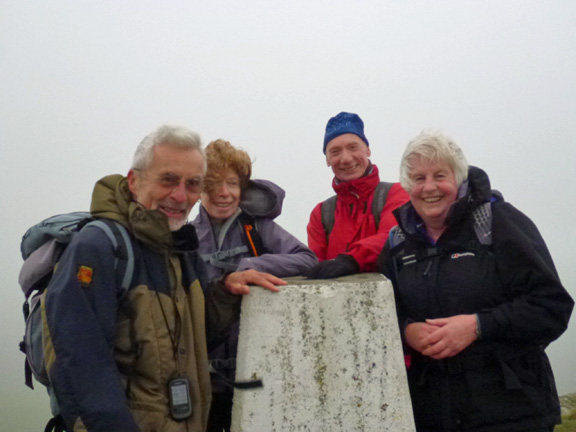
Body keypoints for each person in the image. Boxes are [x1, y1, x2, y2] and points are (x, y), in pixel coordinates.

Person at [43, 125, 285, 432]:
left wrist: (225, 291)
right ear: (134, 180)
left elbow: (195, 337)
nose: (180, 195)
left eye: (193, 184)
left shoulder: (180, 249)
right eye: (168, 180)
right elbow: (77, 365)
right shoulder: (99, 247)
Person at [378, 129, 574, 432]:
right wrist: (406, 331)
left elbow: (551, 307)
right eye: (418, 179)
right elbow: (385, 316)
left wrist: (478, 326)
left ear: (458, 179)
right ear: (408, 186)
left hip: (513, 410)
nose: (429, 187)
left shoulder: (499, 222)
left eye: (439, 175)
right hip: (434, 412)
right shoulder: (397, 243)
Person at [192, 139, 317, 432]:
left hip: (254, 372)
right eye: (213, 184)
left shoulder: (258, 228)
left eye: (233, 184)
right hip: (202, 378)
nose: (224, 193)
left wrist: (254, 265)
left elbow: (308, 259)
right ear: (198, 188)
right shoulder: (186, 236)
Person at [306, 111, 410, 279]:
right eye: (335, 151)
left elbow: (390, 238)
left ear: (367, 150)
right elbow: (314, 263)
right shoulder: (320, 214)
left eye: (353, 147)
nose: (346, 158)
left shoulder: (397, 194)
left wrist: (351, 260)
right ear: (327, 160)